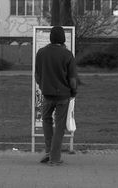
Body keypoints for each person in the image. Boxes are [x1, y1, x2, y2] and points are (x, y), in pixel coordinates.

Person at [35, 26, 77, 166]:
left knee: (46, 120)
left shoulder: (41, 53)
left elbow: (37, 75)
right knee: (59, 126)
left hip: (47, 94)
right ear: (63, 39)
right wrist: (73, 92)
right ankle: (55, 158)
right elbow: (72, 79)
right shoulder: (67, 54)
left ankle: (48, 152)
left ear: (51, 38)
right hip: (63, 96)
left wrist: (42, 86)